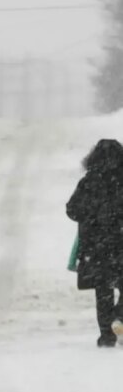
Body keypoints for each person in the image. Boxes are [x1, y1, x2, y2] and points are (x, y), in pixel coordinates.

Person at [67, 139, 123, 347]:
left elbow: (72, 209)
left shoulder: (89, 182)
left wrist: (91, 217)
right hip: (120, 242)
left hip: (95, 247)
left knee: (103, 291)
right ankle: (120, 317)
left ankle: (106, 335)